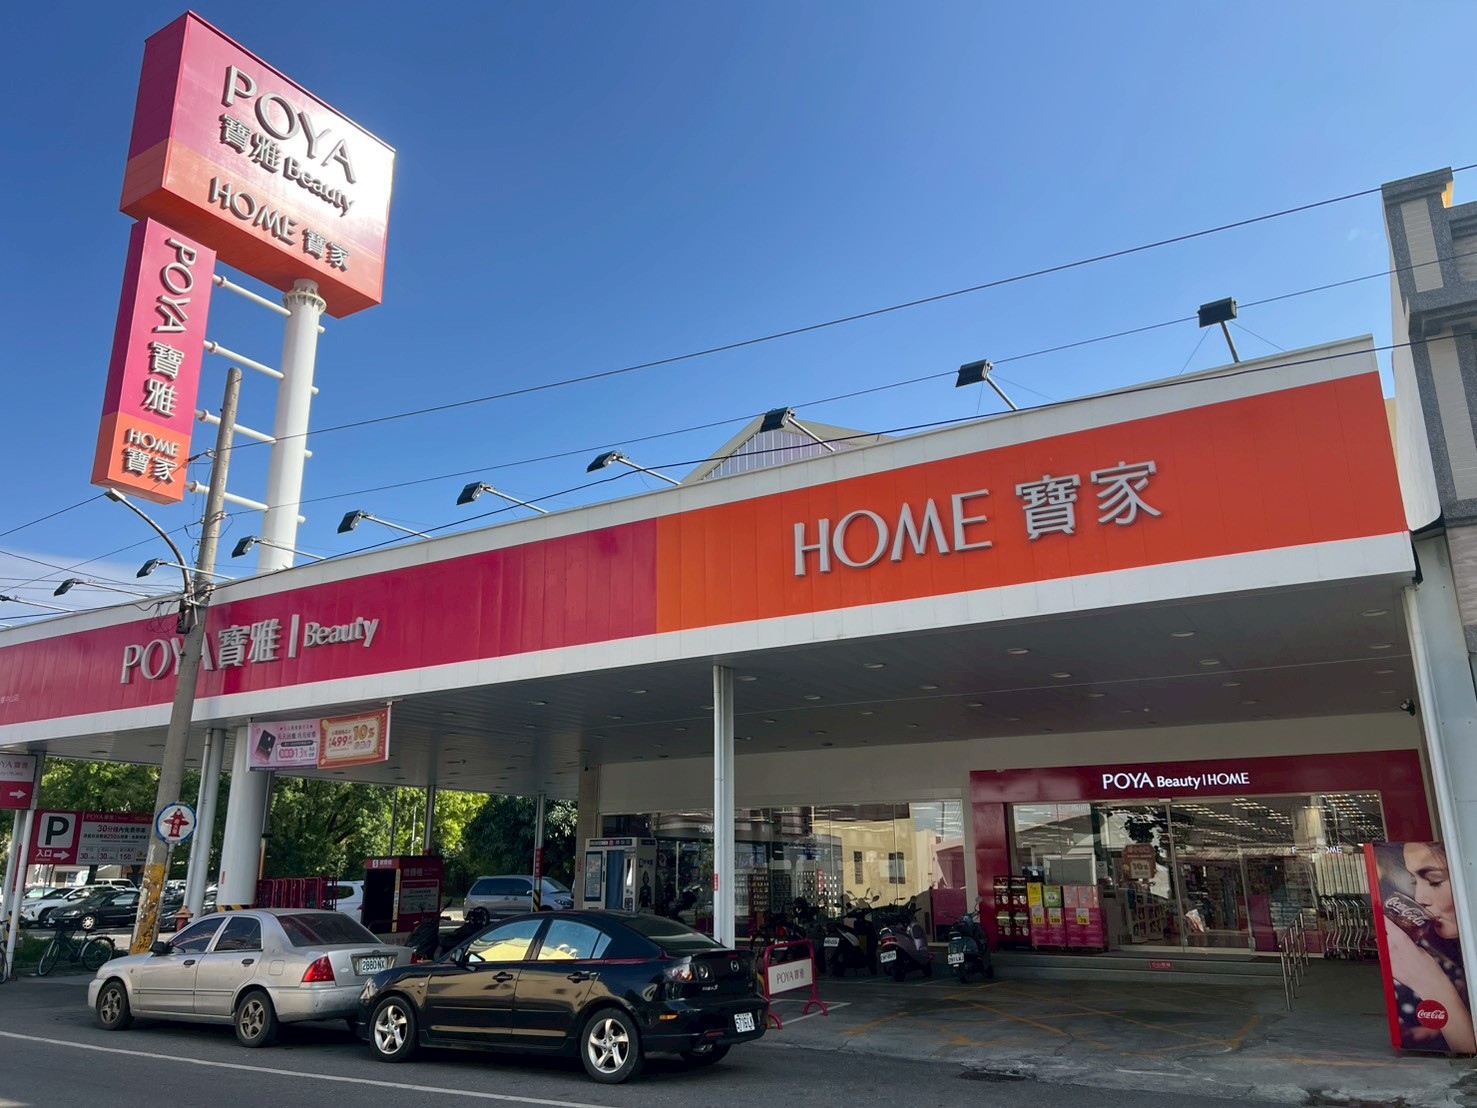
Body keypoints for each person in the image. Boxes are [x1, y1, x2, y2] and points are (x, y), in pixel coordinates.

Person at [1381, 842, 1474, 1053]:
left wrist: (1432, 984)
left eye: (1434, 881)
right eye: (1415, 882)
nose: (1419, 898)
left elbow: (1468, 1049)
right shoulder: (1443, 945)